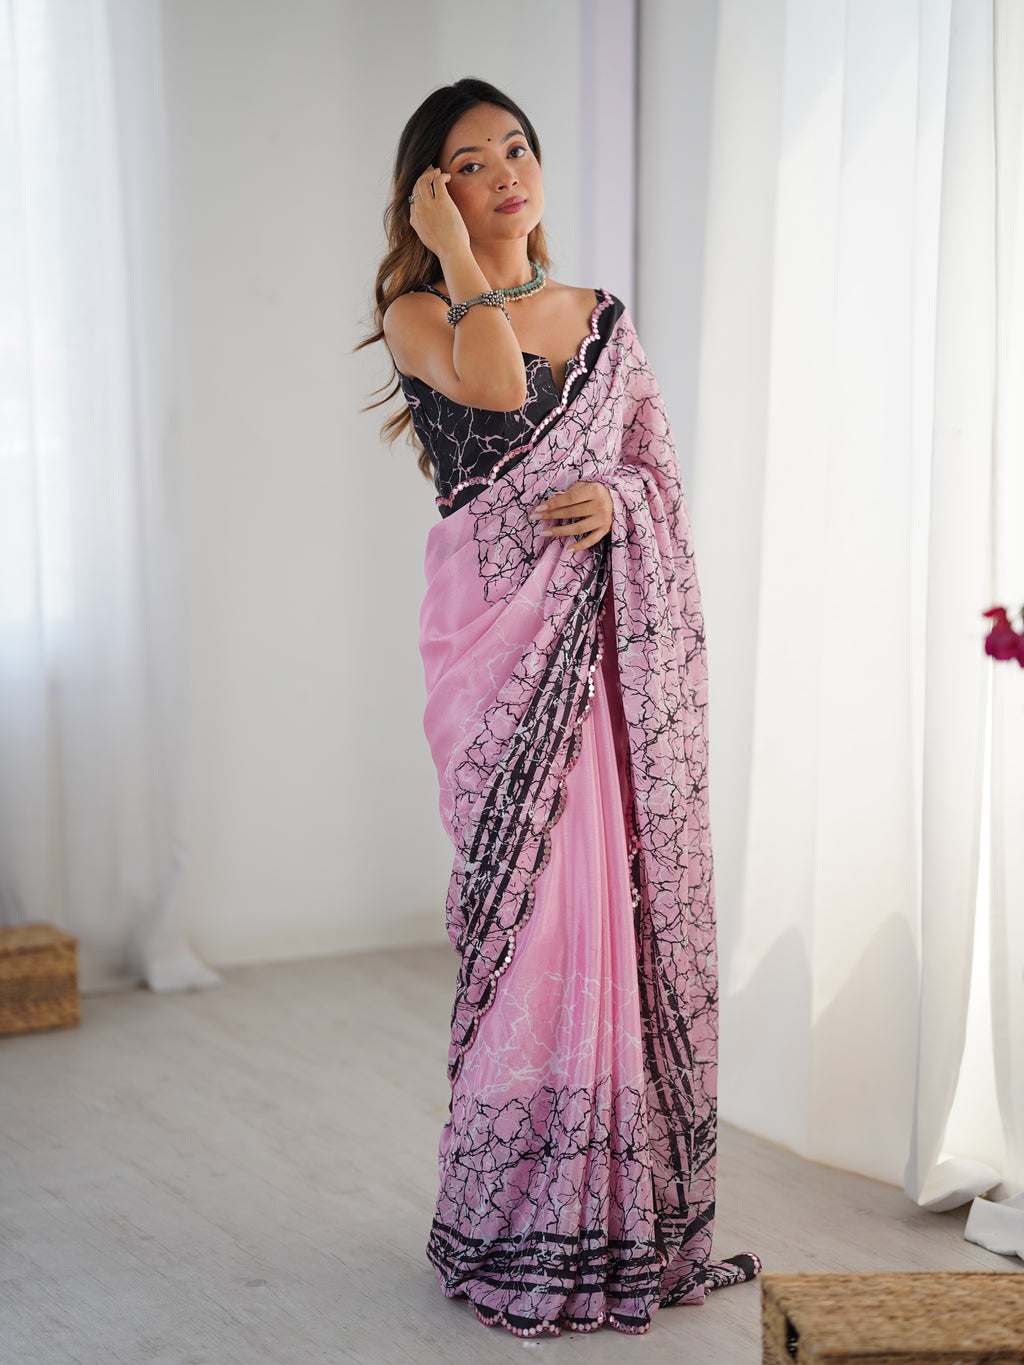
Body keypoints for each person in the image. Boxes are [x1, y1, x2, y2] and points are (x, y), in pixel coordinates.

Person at [360, 77, 761, 1339]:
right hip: (497, 652)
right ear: (435, 191)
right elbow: (492, 393)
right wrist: (456, 257)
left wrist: (619, 508)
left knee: (610, 906)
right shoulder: (420, 310)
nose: (507, 173)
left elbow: (657, 476)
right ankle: (519, 1221)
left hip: (602, 639)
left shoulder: (604, 318)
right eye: (472, 163)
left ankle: (621, 1217)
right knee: (536, 925)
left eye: (518, 149)